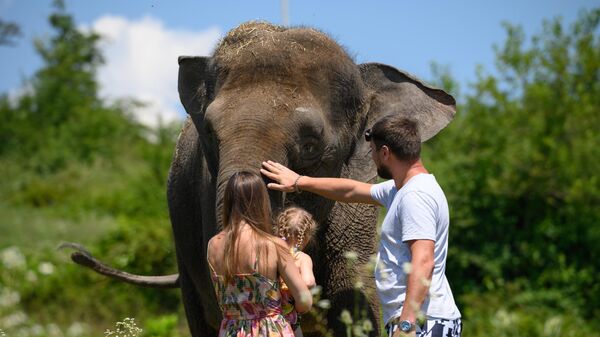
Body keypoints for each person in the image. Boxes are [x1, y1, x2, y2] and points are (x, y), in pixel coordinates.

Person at [261, 116, 462, 337]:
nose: (373, 159)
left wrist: (406, 325)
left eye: (373, 152)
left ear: (385, 152)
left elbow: (423, 261)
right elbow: (351, 190)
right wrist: (299, 181)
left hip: (423, 322)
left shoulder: (416, 196)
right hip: (421, 320)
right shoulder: (402, 190)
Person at [207, 171, 313, 337]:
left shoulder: (213, 245)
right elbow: (305, 300)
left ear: (227, 201)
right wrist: (290, 306)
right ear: (261, 201)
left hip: (231, 331)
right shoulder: (273, 245)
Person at [275, 207, 318, 337]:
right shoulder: (302, 258)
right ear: (306, 238)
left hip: (267, 316)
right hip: (289, 320)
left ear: (278, 230)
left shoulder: (271, 252)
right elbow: (309, 282)